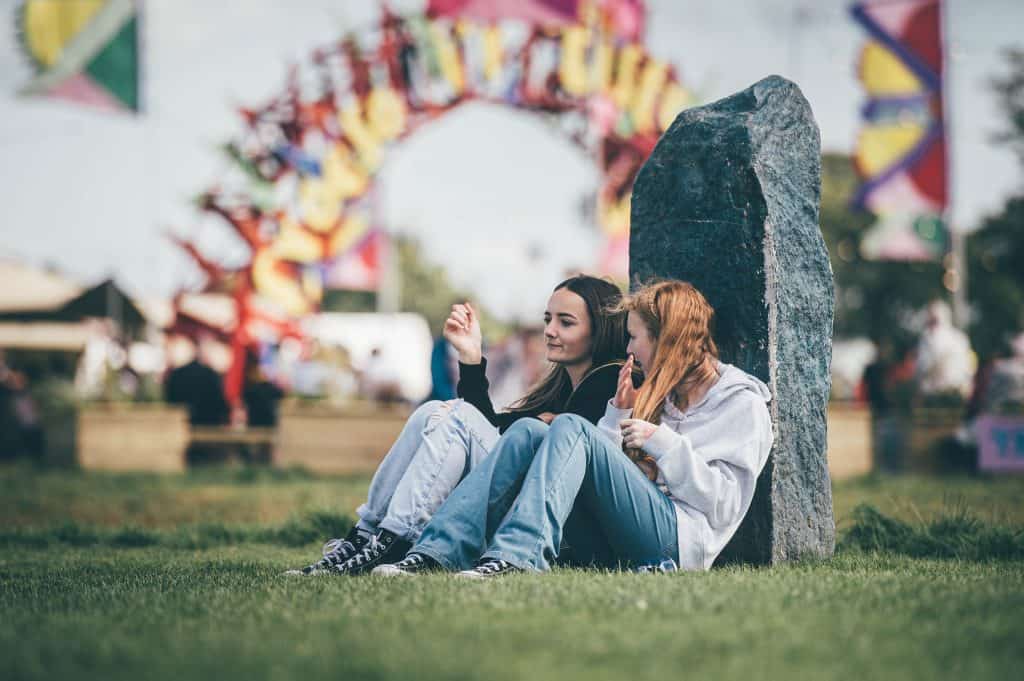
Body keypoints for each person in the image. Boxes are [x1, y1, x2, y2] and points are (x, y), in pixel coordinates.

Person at [375, 280, 773, 577]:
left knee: (568, 426)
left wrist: (663, 443)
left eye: (635, 338)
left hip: (680, 542)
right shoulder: (661, 394)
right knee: (529, 431)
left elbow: (722, 505)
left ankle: (517, 557)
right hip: (625, 528)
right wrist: (619, 417)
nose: (629, 350)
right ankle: (436, 552)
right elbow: (606, 473)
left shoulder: (742, 405)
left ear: (666, 339)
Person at [285, 274, 630, 576]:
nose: (549, 330)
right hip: (513, 494)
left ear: (599, 330)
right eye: (548, 319)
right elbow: (491, 428)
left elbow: (553, 450)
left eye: (565, 322)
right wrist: (471, 356)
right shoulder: (562, 385)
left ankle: (397, 537)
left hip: (556, 523)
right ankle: (366, 534)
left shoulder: (612, 380)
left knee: (456, 417)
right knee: (430, 412)